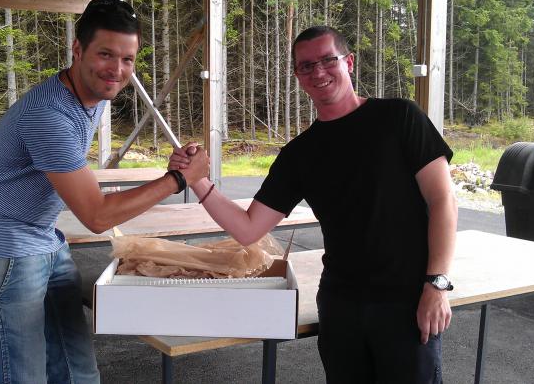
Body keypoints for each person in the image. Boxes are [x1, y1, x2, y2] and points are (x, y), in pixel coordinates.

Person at [172, 26, 457, 383]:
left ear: (348, 62)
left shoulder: (400, 117)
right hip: (342, 306)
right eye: (306, 66)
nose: (318, 72)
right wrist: (197, 180)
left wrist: (436, 284)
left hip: (408, 301)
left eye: (327, 60)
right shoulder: (300, 154)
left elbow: (443, 199)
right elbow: (248, 228)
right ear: (297, 76)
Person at [0, 0, 209, 383]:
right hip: (0, 242)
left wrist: (174, 172)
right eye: (105, 54)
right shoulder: (48, 114)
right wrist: (177, 180)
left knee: (79, 370)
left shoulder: (93, 95)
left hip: (43, 235)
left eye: (127, 59)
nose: (116, 70)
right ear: (77, 49)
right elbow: (96, 216)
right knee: (24, 375)